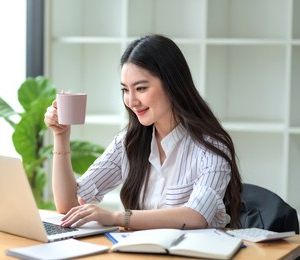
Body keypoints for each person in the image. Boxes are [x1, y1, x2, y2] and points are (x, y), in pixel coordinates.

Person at [44, 34, 242, 230]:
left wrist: (117, 217)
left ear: (172, 84)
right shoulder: (129, 143)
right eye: (125, 90)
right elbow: (68, 204)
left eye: (140, 88)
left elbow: (197, 215)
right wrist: (61, 136)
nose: (131, 101)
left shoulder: (211, 147)